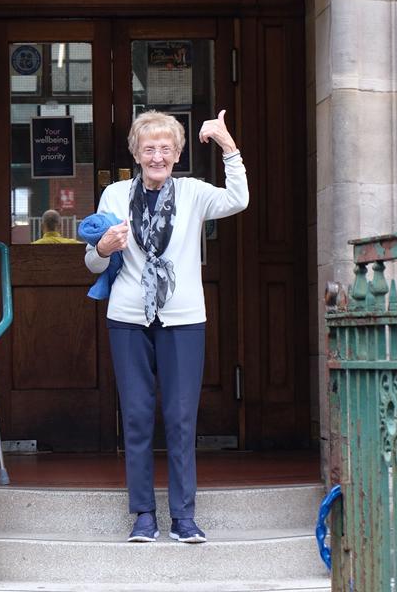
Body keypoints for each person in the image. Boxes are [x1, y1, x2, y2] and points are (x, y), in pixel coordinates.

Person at [84, 109, 249, 543]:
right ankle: (143, 515)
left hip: (183, 319)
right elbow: (92, 260)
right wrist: (102, 246)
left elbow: (238, 199)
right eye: (148, 148)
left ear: (178, 154)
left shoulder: (193, 193)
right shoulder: (115, 195)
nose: (157, 156)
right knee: (137, 417)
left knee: (180, 418)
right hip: (127, 318)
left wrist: (228, 145)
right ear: (136, 153)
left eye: (166, 148)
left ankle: (183, 517)